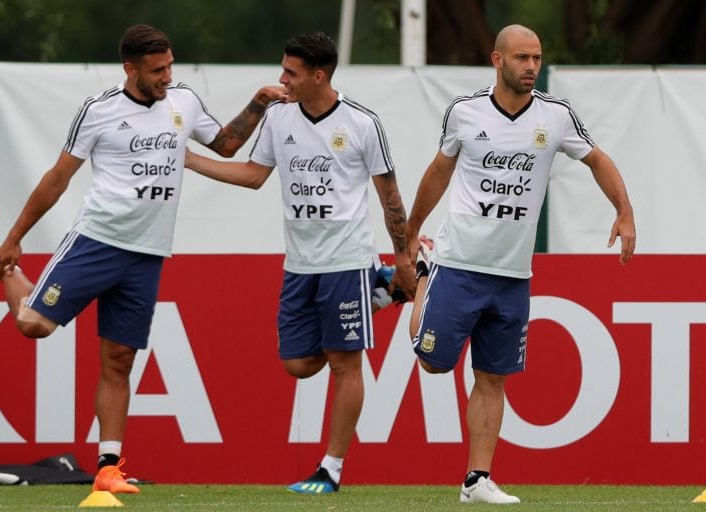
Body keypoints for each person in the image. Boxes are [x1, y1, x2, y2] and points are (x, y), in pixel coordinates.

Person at [0, 24, 286, 495]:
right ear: (130, 68)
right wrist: (14, 238)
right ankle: (5, 268)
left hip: (148, 252)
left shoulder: (183, 101)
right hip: (96, 240)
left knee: (119, 358)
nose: (166, 76)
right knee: (33, 327)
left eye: (170, 66)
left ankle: (108, 467)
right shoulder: (99, 111)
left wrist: (259, 102)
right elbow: (56, 179)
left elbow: (226, 145)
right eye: (156, 70)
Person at [405, 24, 636, 504]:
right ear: (497, 60)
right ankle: (425, 275)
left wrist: (625, 212)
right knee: (431, 363)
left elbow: (597, 159)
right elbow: (438, 172)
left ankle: (476, 480)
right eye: (522, 58)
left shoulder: (556, 115)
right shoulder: (465, 113)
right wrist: (411, 231)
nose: (531, 67)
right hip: (459, 262)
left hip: (513, 273)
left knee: (493, 376)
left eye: (537, 58)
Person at [185, 31, 415, 494]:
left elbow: (389, 197)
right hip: (300, 262)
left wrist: (404, 255)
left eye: (290, 72)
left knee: (344, 363)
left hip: (347, 257)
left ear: (318, 74)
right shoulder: (279, 117)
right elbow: (252, 175)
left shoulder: (362, 122)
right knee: (296, 363)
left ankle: (330, 468)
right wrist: (187, 160)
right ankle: (382, 295)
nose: (281, 79)